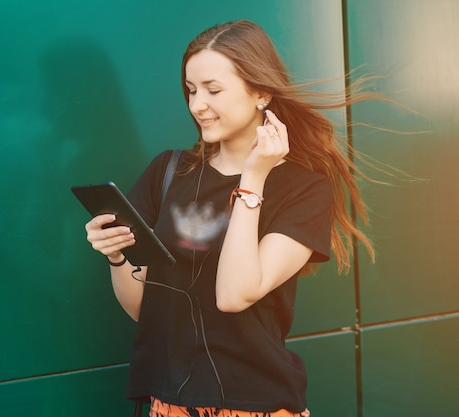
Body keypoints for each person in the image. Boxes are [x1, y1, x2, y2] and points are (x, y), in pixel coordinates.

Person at [85, 20, 375, 417]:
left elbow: (234, 294)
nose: (196, 105)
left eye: (213, 90)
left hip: (255, 405)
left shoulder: (303, 190)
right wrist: (117, 256)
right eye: (190, 90)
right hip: (168, 404)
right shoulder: (167, 173)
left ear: (261, 92)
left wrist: (253, 178)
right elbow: (145, 310)